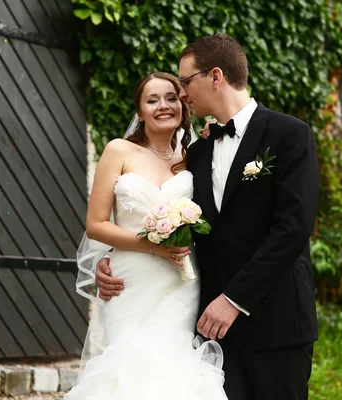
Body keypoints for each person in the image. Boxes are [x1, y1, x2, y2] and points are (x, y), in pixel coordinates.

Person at [95, 34, 320, 399]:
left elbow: (294, 229)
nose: (182, 94)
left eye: (185, 83)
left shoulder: (290, 135)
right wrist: (113, 259)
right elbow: (176, 223)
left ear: (215, 76)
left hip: (276, 323)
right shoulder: (196, 152)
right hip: (211, 335)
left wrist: (233, 300)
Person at [66, 71, 229, 400]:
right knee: (126, 365)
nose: (163, 106)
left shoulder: (195, 157)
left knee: (173, 369)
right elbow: (96, 224)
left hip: (179, 283)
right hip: (130, 283)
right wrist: (149, 247)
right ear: (139, 112)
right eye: (152, 100)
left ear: (183, 105)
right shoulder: (118, 151)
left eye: (171, 98)